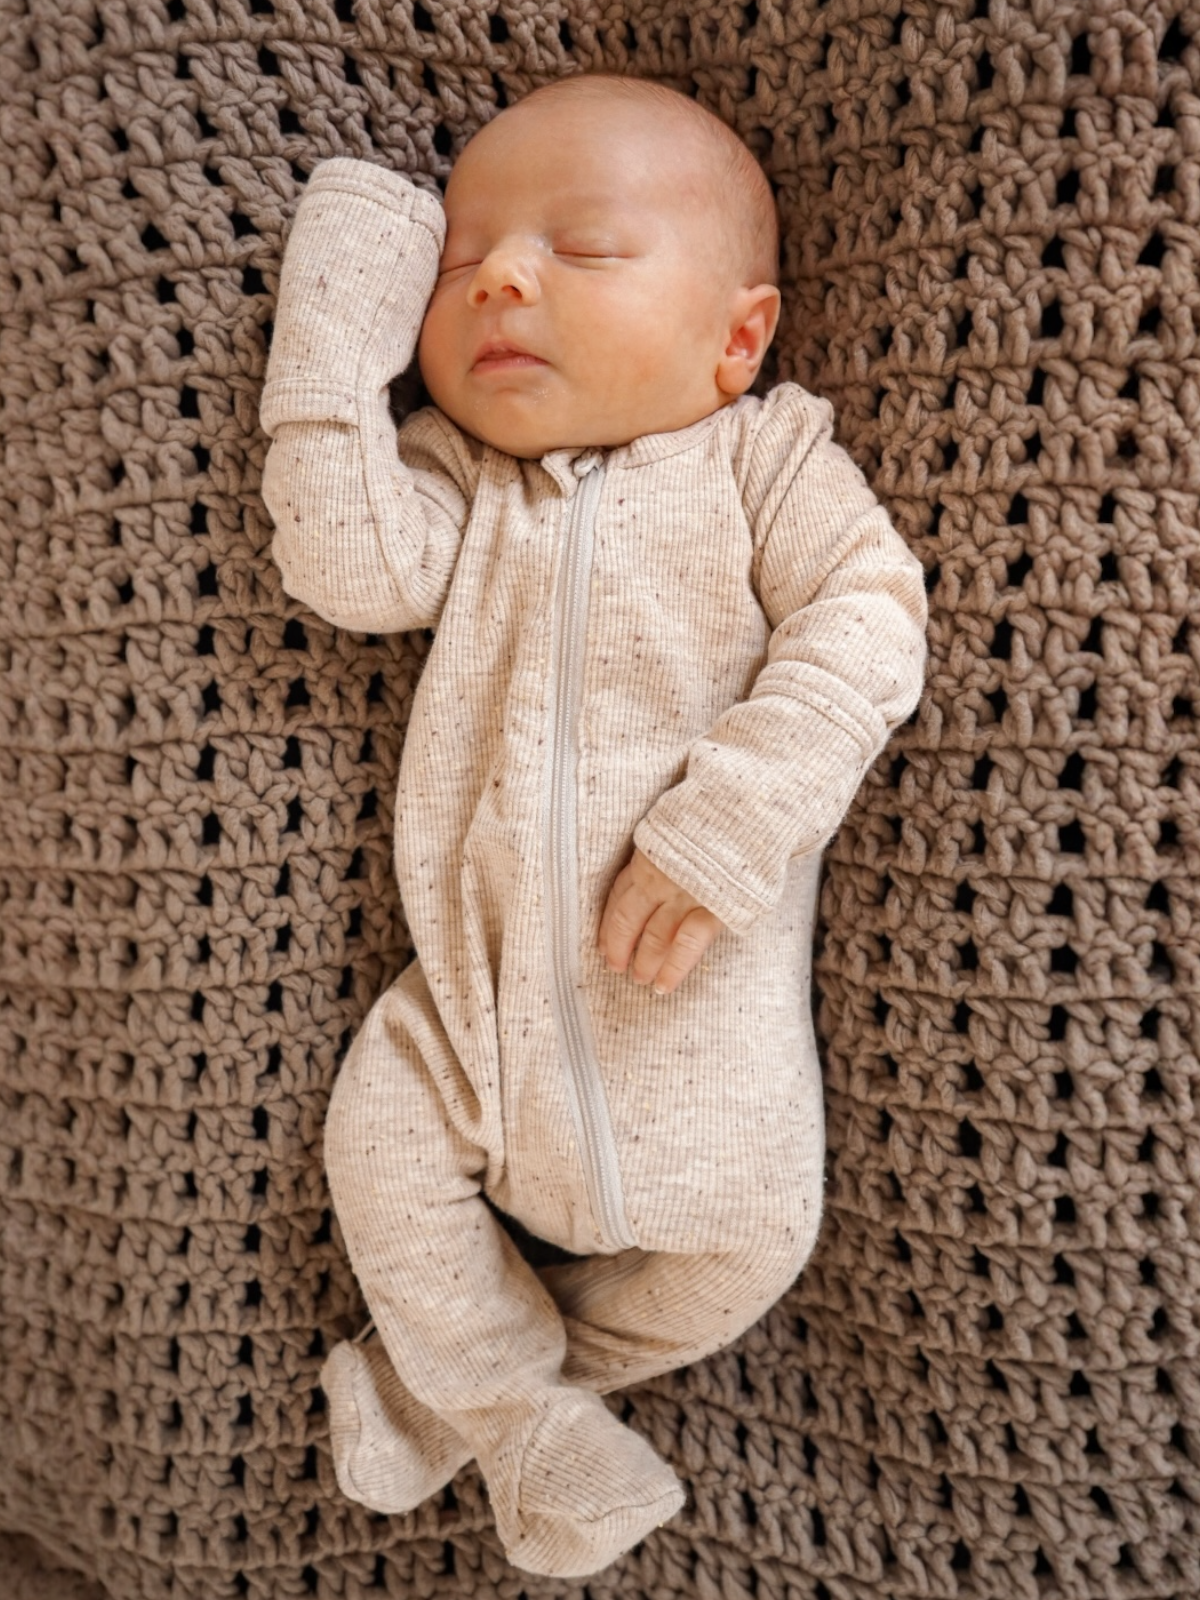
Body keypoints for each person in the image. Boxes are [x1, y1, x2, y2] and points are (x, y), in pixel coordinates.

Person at [259, 72, 928, 1579]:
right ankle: (517, 1416)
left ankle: (478, 1394)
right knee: (377, 1124)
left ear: (736, 338)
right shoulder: (463, 482)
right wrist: (336, 331)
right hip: (479, 1032)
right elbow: (349, 567)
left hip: (706, 1047)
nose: (500, 274)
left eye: (588, 248)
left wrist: (731, 821)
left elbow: (874, 615)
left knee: (755, 1256)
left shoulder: (764, 459)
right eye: (461, 259)